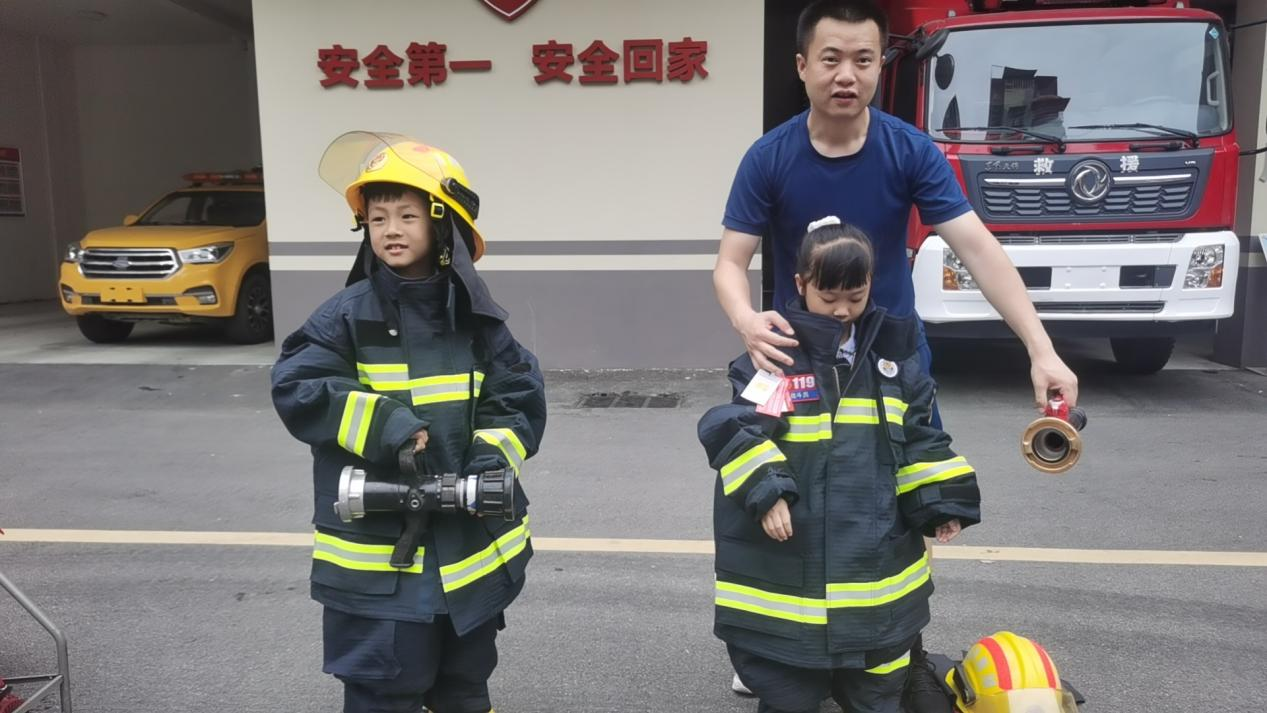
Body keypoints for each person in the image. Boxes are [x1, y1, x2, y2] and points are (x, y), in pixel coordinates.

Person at [713, 2, 1076, 707]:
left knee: (897, 502)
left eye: (862, 60)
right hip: (799, 360)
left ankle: (884, 634)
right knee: (789, 497)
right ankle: (778, 643)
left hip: (889, 361)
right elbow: (730, 261)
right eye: (830, 59)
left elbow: (977, 248)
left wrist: (1041, 347)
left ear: (881, 66)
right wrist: (746, 321)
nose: (845, 75)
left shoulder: (909, 150)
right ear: (801, 66)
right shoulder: (770, 156)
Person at [271, 132, 546, 713]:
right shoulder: (343, 316)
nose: (390, 229)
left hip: (468, 557)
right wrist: (387, 424)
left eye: (407, 215)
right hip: (378, 566)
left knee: (464, 688)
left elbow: (517, 397)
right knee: (382, 693)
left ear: (443, 225)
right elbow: (299, 385)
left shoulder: (479, 322)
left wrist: (487, 466)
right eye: (376, 218)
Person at [699, 217, 981, 713]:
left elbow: (918, 436)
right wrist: (768, 492)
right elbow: (735, 427)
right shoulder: (776, 355)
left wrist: (940, 501)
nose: (843, 310)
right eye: (828, 298)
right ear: (800, 284)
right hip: (791, 562)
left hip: (876, 573)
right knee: (789, 690)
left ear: (871, 283)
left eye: (855, 295)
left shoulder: (894, 360)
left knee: (878, 691)